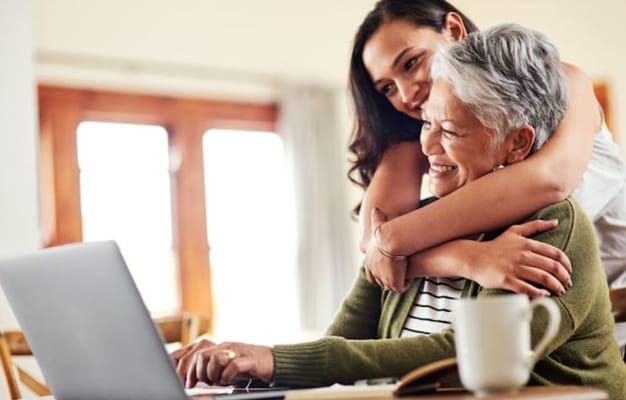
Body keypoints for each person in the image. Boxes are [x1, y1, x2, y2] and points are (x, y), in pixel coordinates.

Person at [172, 24, 626, 399]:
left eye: (449, 130)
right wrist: (245, 368)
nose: (426, 146)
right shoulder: (421, 222)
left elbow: (457, 360)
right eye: (425, 122)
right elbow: (346, 339)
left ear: (517, 144)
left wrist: (277, 360)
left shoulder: (551, 228)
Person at [349, 0, 626, 294]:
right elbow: (373, 242)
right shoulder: (420, 134)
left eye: (411, 63)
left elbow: (551, 180)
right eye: (387, 88)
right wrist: (468, 259)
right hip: (536, 313)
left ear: (453, 30)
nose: (405, 94)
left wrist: (395, 240)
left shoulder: (563, 83)